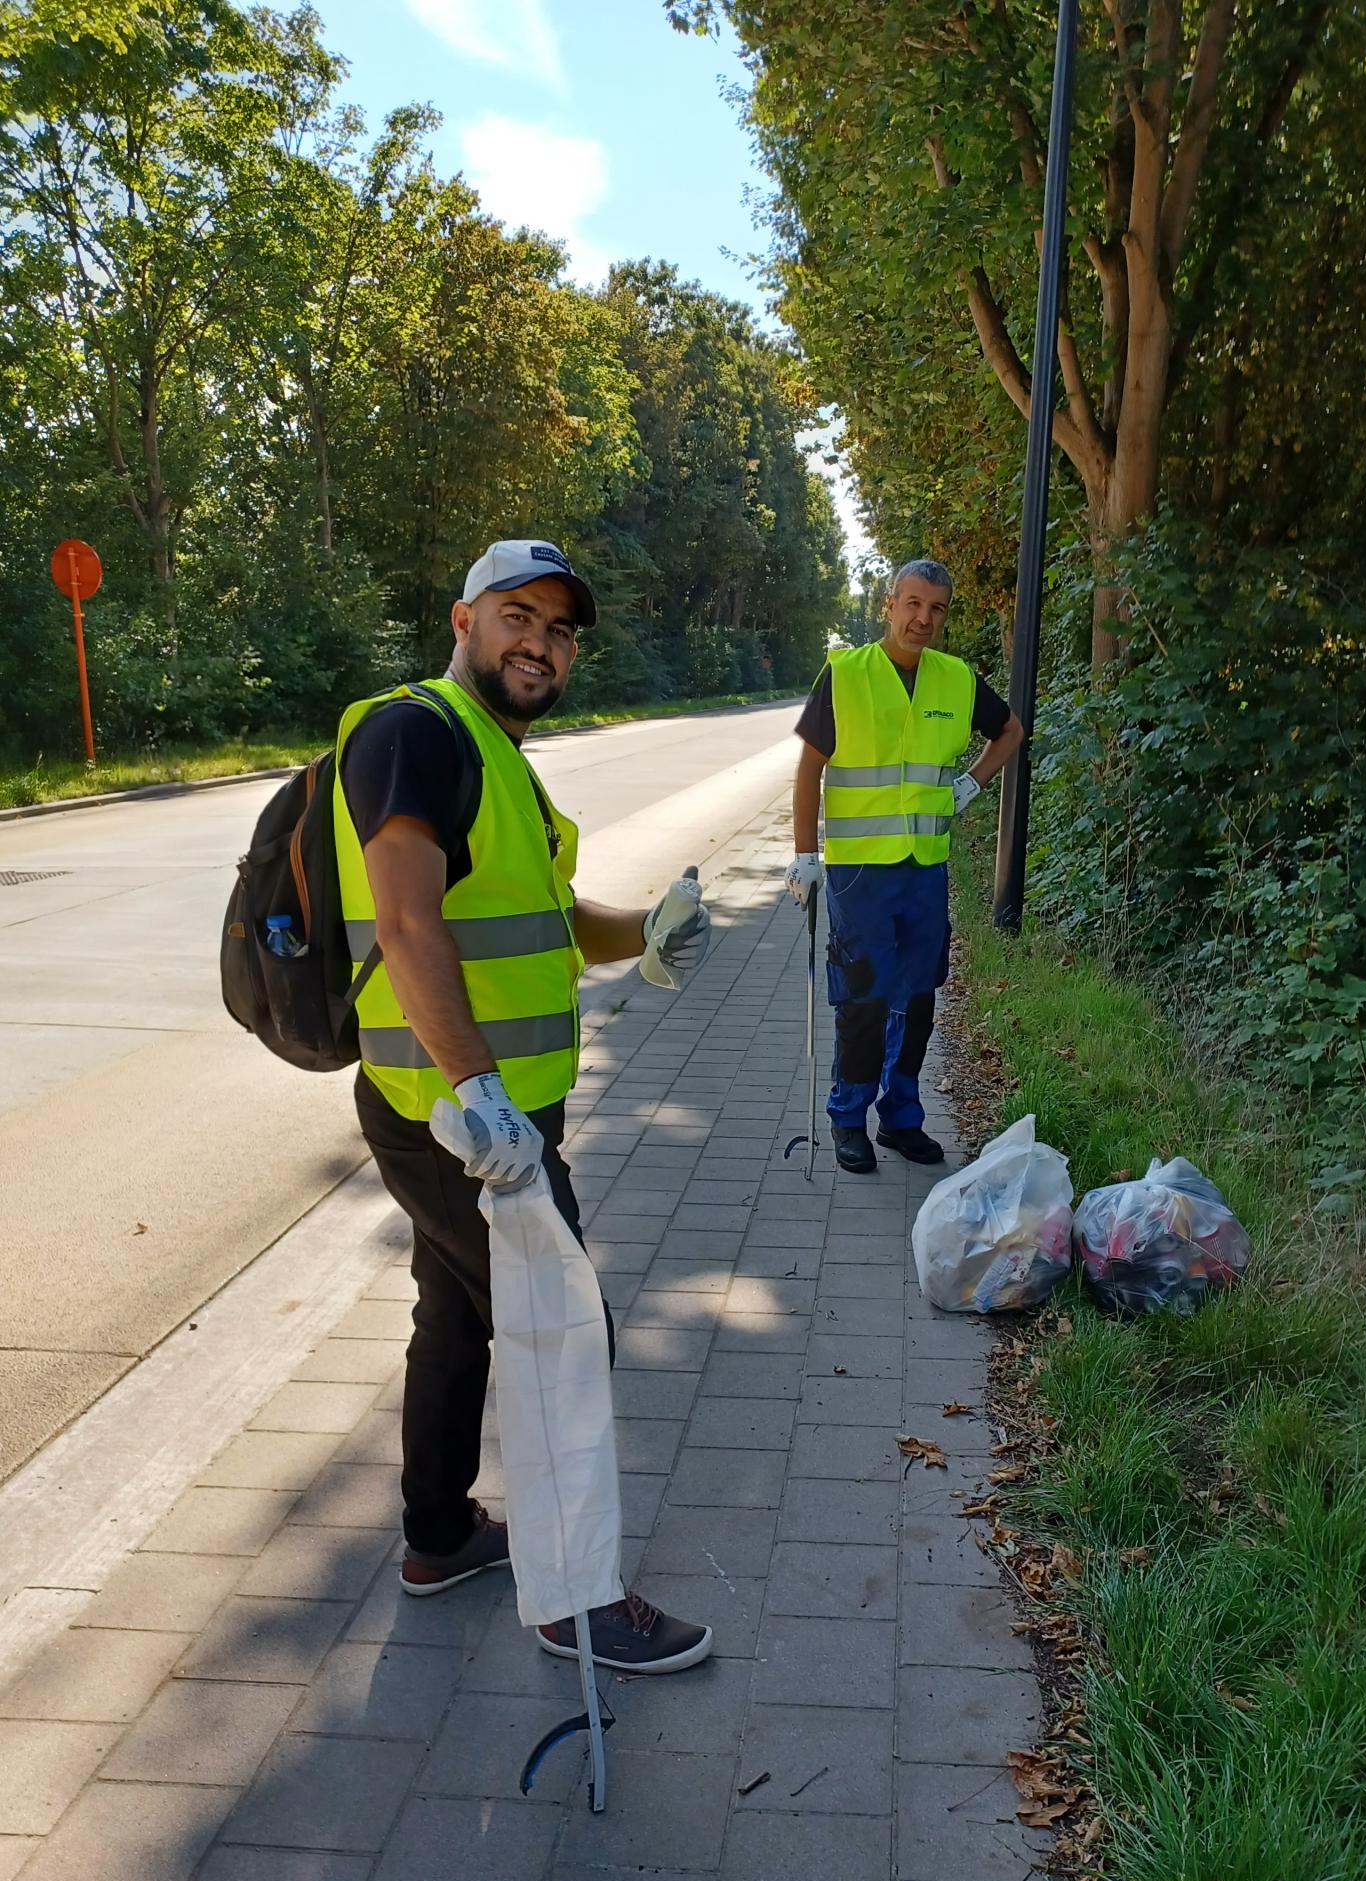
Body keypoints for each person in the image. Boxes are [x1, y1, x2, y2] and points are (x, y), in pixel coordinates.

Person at [334, 539, 713, 1674]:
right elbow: (406, 922)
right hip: (455, 1116)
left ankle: (439, 1537)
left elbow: (552, 921)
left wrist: (645, 929)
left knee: (457, 1317)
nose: (540, 643)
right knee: (564, 1335)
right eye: (518, 616)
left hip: (494, 1113)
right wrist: (478, 1088)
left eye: (559, 629)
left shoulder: (499, 757)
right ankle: (575, 1599)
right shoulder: (414, 732)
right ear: (464, 620)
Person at [784, 559, 1025, 1173]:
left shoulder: (956, 679)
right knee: (863, 997)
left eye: (936, 608)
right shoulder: (846, 673)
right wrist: (805, 856)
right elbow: (809, 769)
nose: (923, 618)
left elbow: (1010, 731)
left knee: (917, 998)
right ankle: (848, 1119)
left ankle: (900, 1117)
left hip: (925, 869)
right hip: (859, 872)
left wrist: (971, 783)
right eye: (913, 604)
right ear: (889, 604)